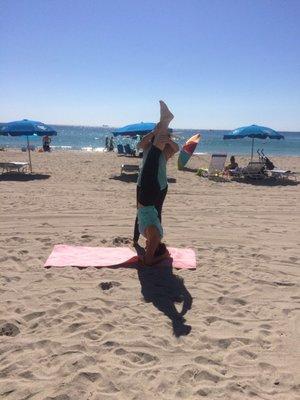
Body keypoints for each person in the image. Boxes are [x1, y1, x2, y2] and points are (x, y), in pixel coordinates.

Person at [133, 104, 179, 244]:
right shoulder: (148, 147)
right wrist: (154, 132)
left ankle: (155, 239)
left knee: (156, 212)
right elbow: (139, 144)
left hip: (160, 186)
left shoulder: (165, 150)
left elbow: (176, 148)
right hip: (143, 183)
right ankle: (136, 239)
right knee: (140, 212)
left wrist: (168, 140)